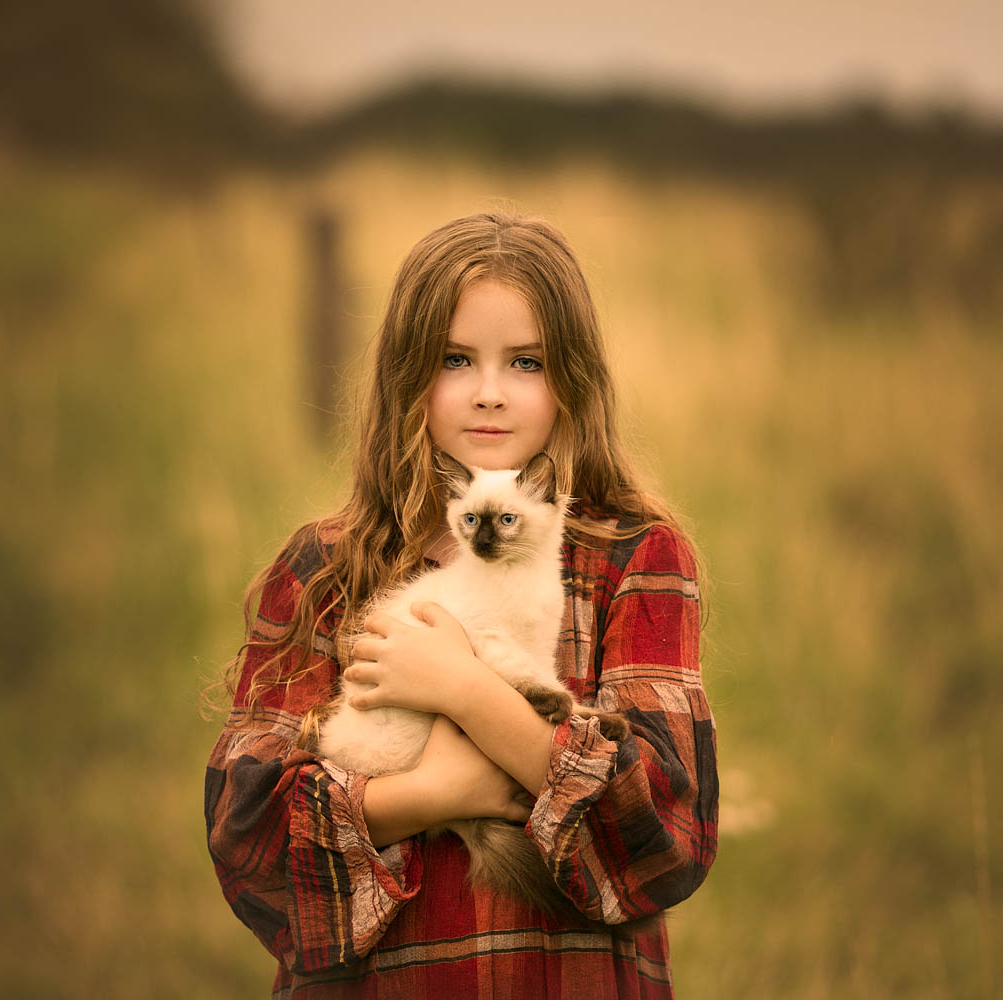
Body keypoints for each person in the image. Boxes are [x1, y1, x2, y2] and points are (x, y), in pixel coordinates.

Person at [203, 213, 718, 999]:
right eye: (454, 359)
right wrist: (438, 796)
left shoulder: (637, 560)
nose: (488, 394)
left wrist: (465, 693)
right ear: (408, 374)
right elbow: (251, 847)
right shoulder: (322, 572)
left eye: (525, 362)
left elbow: (663, 840)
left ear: (572, 378)